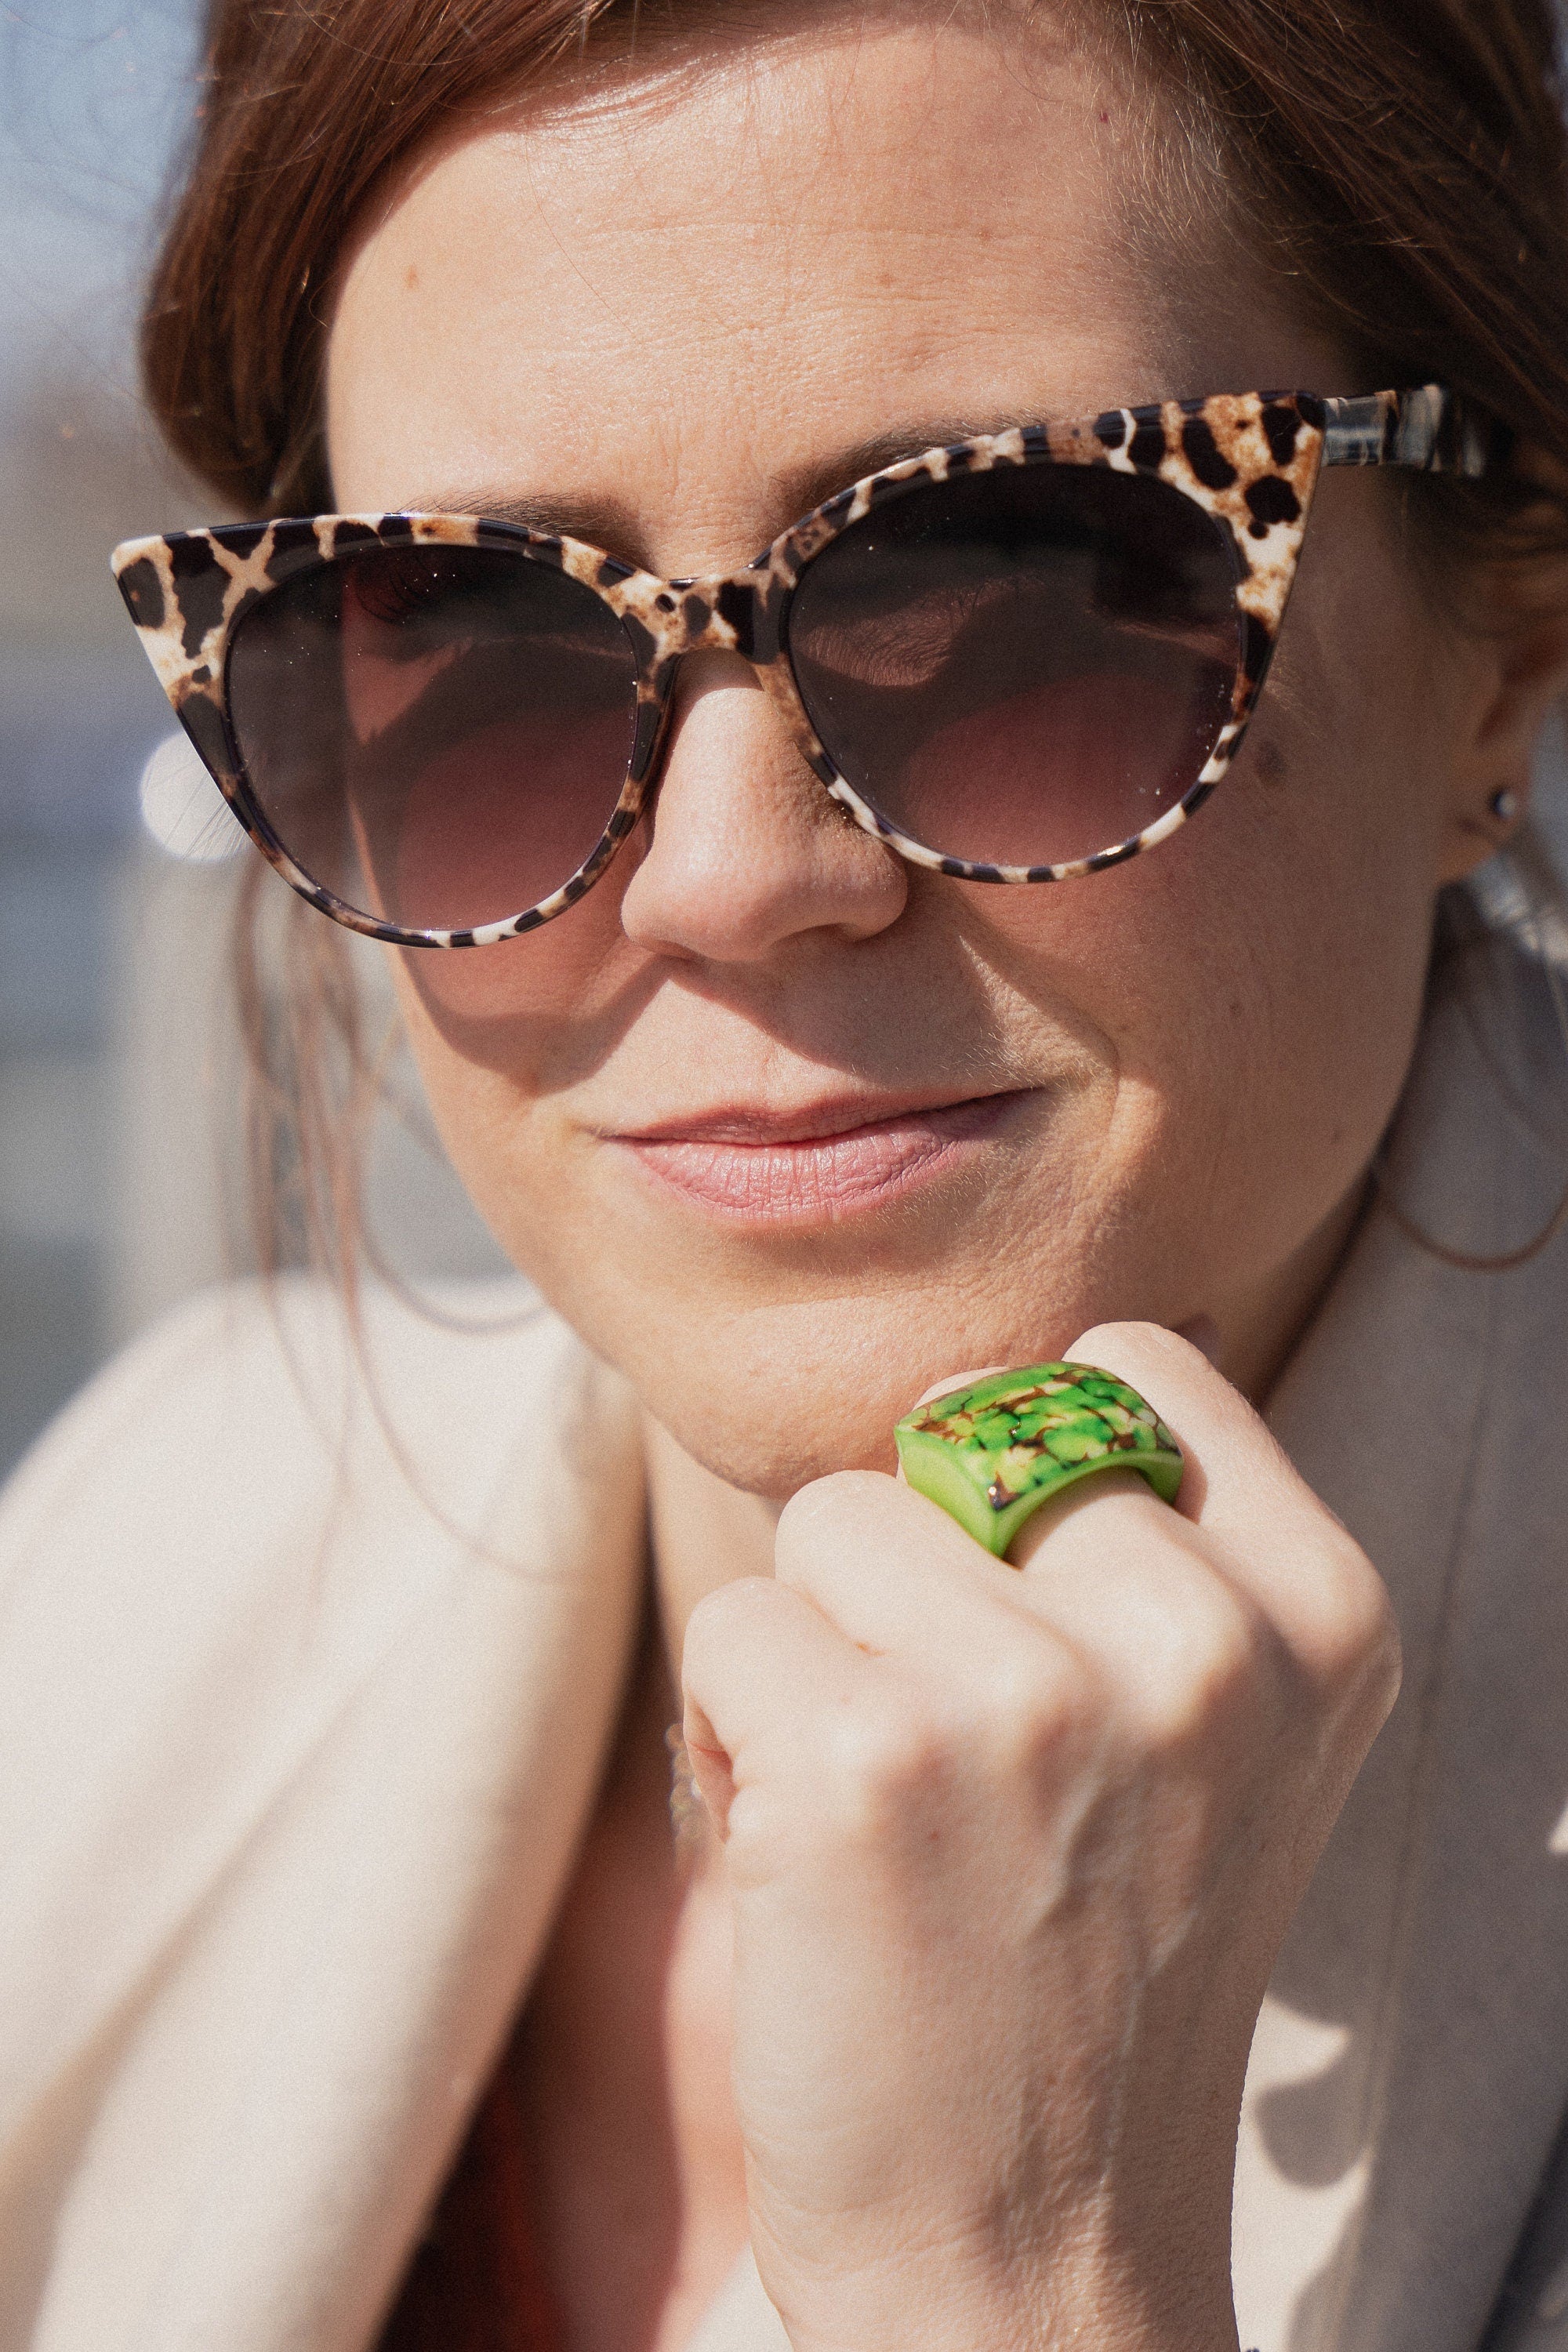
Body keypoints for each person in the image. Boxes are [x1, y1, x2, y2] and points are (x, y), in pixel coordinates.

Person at [4, 1, 1568, 2347]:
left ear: (1507, 665)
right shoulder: (134, 1567)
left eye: (1019, 590)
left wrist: (1019, 2286)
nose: (726, 878)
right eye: (466, 638)